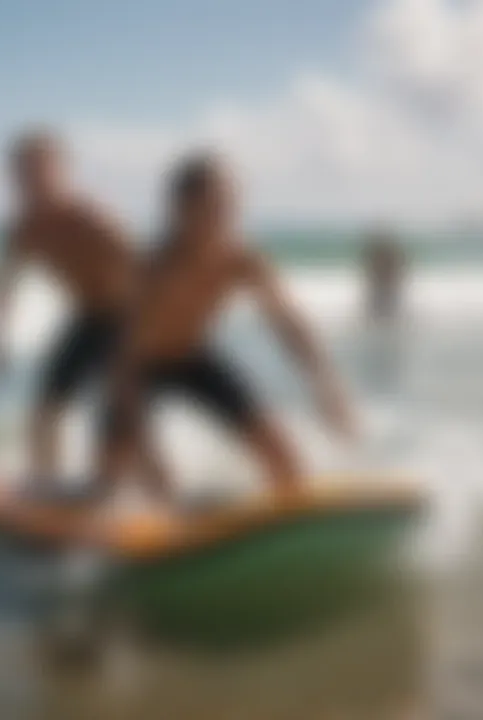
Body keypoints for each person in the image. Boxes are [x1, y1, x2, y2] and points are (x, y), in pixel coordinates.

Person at [99, 152, 356, 496]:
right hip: (135, 372)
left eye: (229, 205)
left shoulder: (241, 258)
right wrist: (147, 449)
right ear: (180, 208)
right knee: (115, 481)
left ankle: (282, 537)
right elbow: (123, 360)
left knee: (285, 460)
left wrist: (326, 386)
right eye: (212, 206)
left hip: (193, 358)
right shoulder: (154, 267)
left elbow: (287, 323)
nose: (224, 216)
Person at [0, 128, 165, 495]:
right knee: (45, 407)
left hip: (127, 318)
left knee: (122, 415)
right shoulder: (24, 228)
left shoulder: (92, 217)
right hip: (88, 319)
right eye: (23, 173)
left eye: (41, 170)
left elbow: (146, 269)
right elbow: (1, 286)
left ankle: (161, 497)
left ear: (62, 171)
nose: (33, 181)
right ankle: (47, 491)